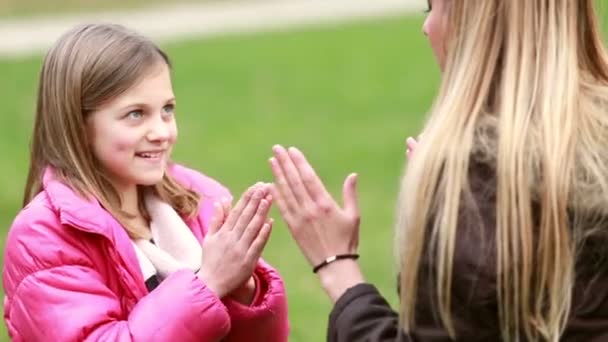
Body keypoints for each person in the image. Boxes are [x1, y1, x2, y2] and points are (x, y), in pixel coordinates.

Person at [268, 0, 608, 341]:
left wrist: (338, 268)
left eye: (432, 7)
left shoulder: (472, 189)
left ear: (474, 22)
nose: (427, 27)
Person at [3, 23, 288, 341]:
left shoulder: (199, 200)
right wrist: (208, 285)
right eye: (136, 114)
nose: (162, 132)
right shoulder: (45, 236)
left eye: (167, 110)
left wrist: (245, 291)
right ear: (78, 125)